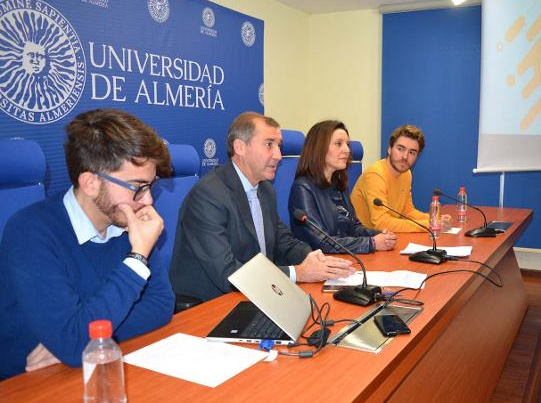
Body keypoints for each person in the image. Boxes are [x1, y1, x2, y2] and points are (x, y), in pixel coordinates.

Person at [0, 109, 175, 379]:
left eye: (151, 186)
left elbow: (161, 304)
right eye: (138, 187)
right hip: (29, 381)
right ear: (91, 183)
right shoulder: (30, 231)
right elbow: (73, 344)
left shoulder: (126, 222)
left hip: (86, 367)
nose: (148, 200)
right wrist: (137, 258)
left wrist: (90, 338)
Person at [169, 112, 354, 303]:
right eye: (269, 144)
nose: (279, 155)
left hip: (259, 294)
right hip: (212, 303)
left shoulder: (265, 189)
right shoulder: (208, 196)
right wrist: (297, 273)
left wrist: (316, 260)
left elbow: (284, 242)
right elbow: (228, 274)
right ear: (240, 147)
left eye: (279, 146)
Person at [288, 120, 396, 253]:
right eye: (339, 144)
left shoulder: (339, 185)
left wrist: (380, 235)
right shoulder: (302, 188)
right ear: (319, 148)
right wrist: (372, 243)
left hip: (345, 259)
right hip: (319, 265)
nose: (347, 150)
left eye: (347, 144)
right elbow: (322, 242)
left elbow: (354, 228)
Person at [351, 124, 450, 232]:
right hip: (364, 240)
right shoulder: (375, 175)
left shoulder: (406, 174)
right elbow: (381, 223)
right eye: (400, 149)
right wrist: (429, 224)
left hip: (386, 238)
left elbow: (407, 212)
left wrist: (434, 219)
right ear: (389, 149)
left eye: (412, 152)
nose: (405, 156)